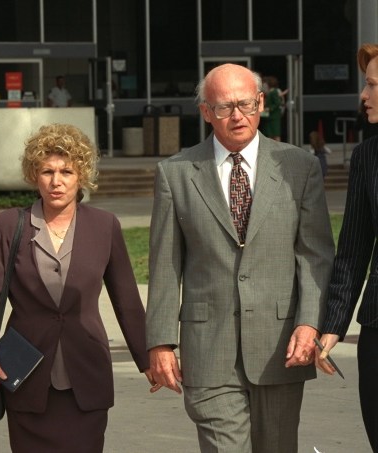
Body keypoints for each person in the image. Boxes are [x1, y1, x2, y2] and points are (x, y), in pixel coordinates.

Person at [145, 63, 335, 453]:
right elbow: (164, 264)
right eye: (224, 107)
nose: (237, 116)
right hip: (207, 349)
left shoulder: (299, 167)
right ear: (205, 112)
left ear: (262, 103)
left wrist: (310, 322)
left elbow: (315, 256)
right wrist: (160, 342)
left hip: (280, 347)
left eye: (246, 105)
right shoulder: (175, 174)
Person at [0, 123, 151, 452]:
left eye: (67, 171)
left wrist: (149, 358)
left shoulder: (104, 226)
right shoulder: (8, 225)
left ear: (81, 175)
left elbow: (127, 300)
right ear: (33, 175)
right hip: (25, 372)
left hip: (87, 371)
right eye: (47, 171)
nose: (57, 182)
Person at [317, 43, 378, 452]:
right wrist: (334, 325)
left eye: (372, 85)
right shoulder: (367, 157)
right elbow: (354, 247)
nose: (364, 95)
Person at [261, 75, 285, 141]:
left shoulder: (274, 92)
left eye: (266, 82)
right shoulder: (270, 91)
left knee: (275, 133)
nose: (264, 84)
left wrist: (270, 108)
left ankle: (278, 149)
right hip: (270, 117)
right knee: (270, 134)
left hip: (274, 116)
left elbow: (277, 103)